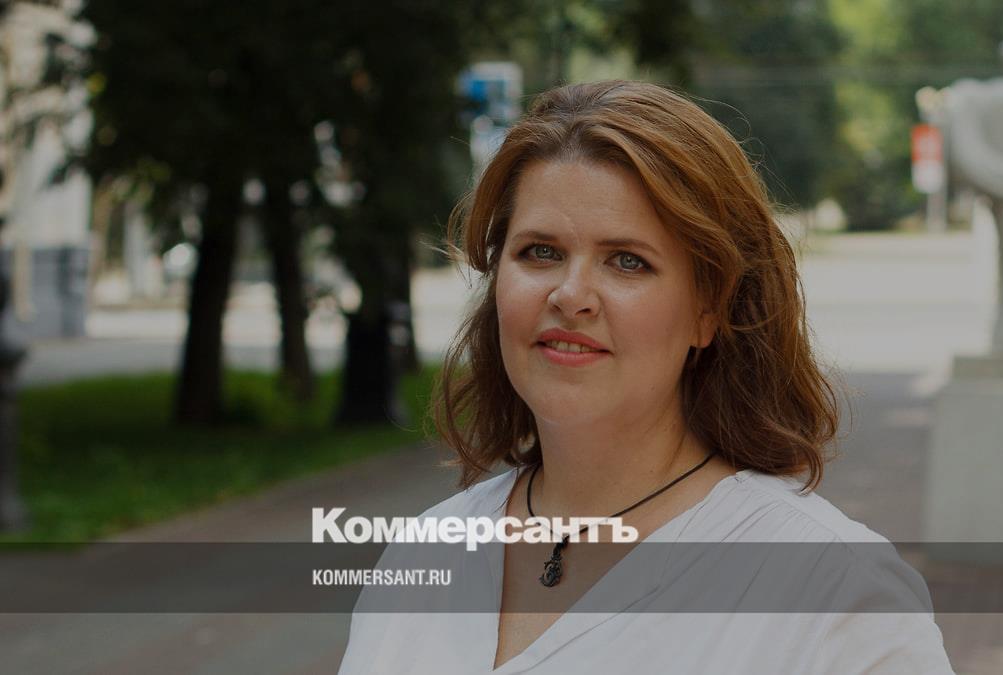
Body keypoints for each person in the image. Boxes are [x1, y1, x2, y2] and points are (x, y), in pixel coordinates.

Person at [338, 80, 956, 674]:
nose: (571, 295)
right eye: (540, 252)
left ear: (709, 310)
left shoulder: (835, 593)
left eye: (627, 262)